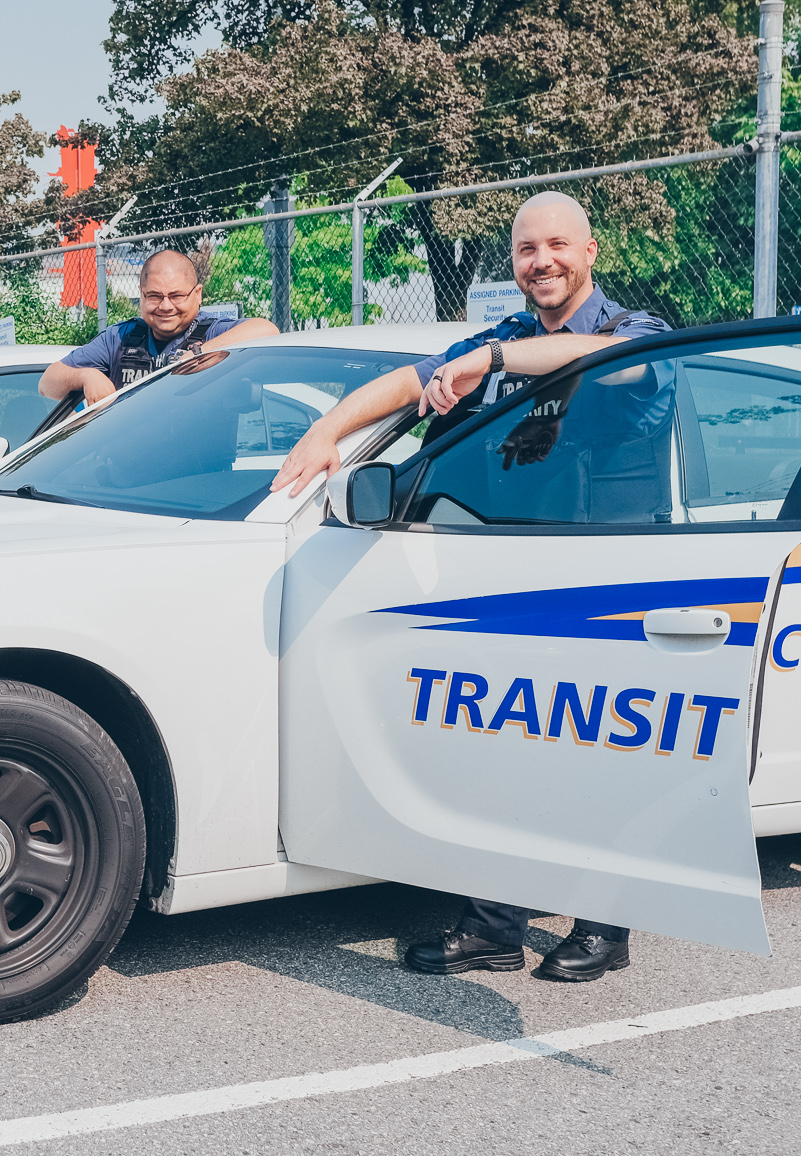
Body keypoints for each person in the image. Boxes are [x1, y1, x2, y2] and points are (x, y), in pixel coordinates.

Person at [269, 190, 672, 984]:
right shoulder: (510, 333)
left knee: (600, 754)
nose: (542, 261)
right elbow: (402, 383)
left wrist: (487, 361)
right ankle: (495, 924)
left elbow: (601, 368)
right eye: (527, 249)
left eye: (558, 245)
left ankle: (606, 923)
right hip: (516, 574)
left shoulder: (637, 331)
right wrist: (327, 431)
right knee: (510, 750)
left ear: (591, 253)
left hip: (613, 583)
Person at [39, 250, 279, 403]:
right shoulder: (119, 338)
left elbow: (267, 329)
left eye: (176, 296)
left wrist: (200, 353)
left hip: (199, 477)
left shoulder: (213, 332)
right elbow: (47, 384)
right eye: (154, 296)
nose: (165, 306)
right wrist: (86, 375)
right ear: (141, 296)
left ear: (198, 295)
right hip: (123, 479)